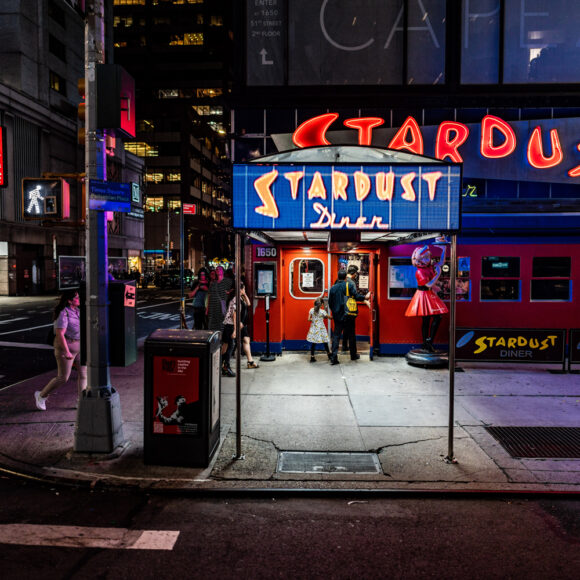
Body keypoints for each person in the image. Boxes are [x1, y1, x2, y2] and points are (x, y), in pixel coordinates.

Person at [34, 289, 87, 411]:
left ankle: (81, 402)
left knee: (84, 375)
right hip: (66, 347)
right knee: (63, 377)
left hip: (79, 345)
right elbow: (60, 334)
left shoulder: (78, 311)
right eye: (77, 298)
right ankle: (41, 395)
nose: (79, 299)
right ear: (69, 301)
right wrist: (67, 351)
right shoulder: (63, 313)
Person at [404, 237, 449, 352]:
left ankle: (428, 341)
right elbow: (428, 284)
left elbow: (441, 262)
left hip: (428, 294)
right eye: (419, 260)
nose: (420, 262)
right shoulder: (419, 271)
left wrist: (444, 249)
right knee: (428, 319)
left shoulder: (427, 267)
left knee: (431, 318)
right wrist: (437, 275)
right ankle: (427, 342)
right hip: (424, 294)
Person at [328, 270, 369, 365]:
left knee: (336, 336)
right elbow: (356, 296)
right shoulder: (348, 285)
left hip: (337, 316)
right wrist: (365, 298)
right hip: (348, 315)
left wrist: (335, 312)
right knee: (351, 335)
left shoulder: (333, 288)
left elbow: (330, 303)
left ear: (338, 277)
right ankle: (353, 355)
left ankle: (334, 358)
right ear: (346, 277)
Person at [207, 265, 233, 332]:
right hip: (212, 306)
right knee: (212, 323)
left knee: (222, 322)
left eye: (219, 269)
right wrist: (207, 309)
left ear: (223, 271)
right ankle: (213, 338)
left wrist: (229, 292)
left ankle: (222, 338)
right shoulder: (213, 283)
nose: (217, 270)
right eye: (216, 269)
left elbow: (236, 289)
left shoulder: (228, 281)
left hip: (222, 305)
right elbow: (209, 296)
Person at [306, 297, 331, 362]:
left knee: (314, 343)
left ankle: (312, 357)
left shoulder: (311, 310)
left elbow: (308, 319)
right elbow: (330, 318)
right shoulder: (323, 312)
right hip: (321, 329)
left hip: (314, 328)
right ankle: (329, 355)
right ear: (322, 304)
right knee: (325, 342)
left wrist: (314, 319)